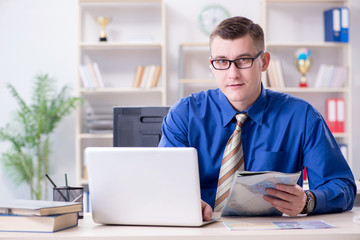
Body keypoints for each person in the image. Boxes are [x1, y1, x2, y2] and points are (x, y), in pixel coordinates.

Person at [159, 16, 356, 221]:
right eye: (222, 61)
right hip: (202, 230)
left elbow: (342, 185)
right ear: (211, 65)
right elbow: (162, 181)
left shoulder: (301, 116)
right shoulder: (184, 114)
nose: (232, 73)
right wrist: (180, 200)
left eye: (243, 60)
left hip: (271, 232)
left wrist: (308, 200)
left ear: (264, 62)